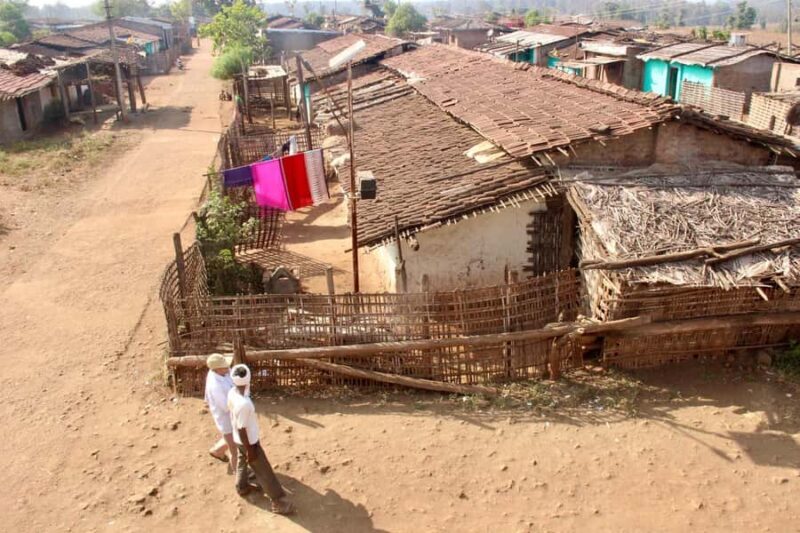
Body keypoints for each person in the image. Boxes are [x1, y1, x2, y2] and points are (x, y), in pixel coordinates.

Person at [228, 364, 295, 515]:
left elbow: (238, 428)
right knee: (264, 471)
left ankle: (242, 487)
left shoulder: (232, 392)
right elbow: (242, 428)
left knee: (241, 461)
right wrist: (251, 450)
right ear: (248, 379)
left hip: (237, 439)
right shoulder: (244, 404)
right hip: (249, 442)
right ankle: (278, 502)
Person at [204, 354, 236, 474]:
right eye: (224, 367)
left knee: (233, 437)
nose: (228, 368)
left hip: (232, 414)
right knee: (235, 450)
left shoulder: (223, 372)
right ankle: (240, 477)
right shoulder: (215, 386)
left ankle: (217, 451)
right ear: (216, 369)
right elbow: (225, 407)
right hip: (226, 417)